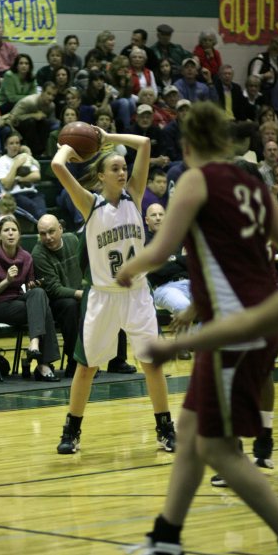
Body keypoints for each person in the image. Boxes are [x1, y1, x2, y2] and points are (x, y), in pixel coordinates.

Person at [108, 101, 278, 555]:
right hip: (261, 312)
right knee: (191, 431)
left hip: (237, 329)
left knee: (217, 448)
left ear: (188, 146)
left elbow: (162, 247)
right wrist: (206, 299)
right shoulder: (255, 182)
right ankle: (166, 543)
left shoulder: (196, 179)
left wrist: (130, 269)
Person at [51, 127, 176, 455]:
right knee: (86, 367)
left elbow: (146, 143)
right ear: (101, 176)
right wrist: (70, 147)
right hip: (103, 296)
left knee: (152, 364)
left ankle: (165, 428)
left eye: (124, 167)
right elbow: (57, 166)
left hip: (137, 295)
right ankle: (72, 430)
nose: (123, 172)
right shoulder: (89, 204)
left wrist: (106, 135)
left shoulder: (135, 195)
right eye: (116, 168)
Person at [32, 214, 137, 378]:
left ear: (60, 228)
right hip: (58, 301)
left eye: (51, 231)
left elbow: (91, 267)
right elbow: (53, 289)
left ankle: (117, 360)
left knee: (114, 297)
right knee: (70, 306)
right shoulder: (38, 253)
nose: (48, 237)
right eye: (43, 234)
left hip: (83, 291)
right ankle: (75, 363)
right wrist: (81, 294)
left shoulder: (72, 240)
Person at [0, 214, 60, 382]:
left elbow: (30, 286)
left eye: (14, 230)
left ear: (19, 234)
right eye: (6, 230)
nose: (10, 233)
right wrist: (6, 281)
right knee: (43, 310)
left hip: (18, 301)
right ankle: (43, 364)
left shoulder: (26, 257)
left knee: (39, 294)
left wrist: (36, 284)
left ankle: (34, 345)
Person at [144, 203, 192, 362]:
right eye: (153, 215)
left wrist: (171, 259)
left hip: (191, 282)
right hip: (163, 287)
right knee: (183, 306)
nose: (158, 218)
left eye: (161, 214)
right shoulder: (143, 241)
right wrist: (180, 259)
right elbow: (157, 270)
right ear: (146, 220)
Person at [0, 131, 47, 220]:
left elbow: (37, 176)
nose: (15, 146)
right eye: (11, 143)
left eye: (17, 143)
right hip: (14, 195)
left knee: (42, 210)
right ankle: (49, 225)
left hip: (32, 193)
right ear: (5, 146)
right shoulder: (1, 161)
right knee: (35, 209)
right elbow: (7, 185)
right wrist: (15, 165)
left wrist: (19, 179)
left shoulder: (24, 157)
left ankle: (48, 224)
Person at [9, 81, 58, 157]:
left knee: (46, 122)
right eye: (48, 93)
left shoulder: (51, 106)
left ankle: (43, 152)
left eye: (53, 95)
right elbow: (13, 118)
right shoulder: (29, 101)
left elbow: (50, 121)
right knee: (31, 122)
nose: (51, 97)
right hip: (18, 126)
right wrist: (33, 115)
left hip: (37, 128)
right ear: (42, 92)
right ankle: (36, 153)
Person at [249, 35, 278, 115]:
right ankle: (275, 112)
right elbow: (254, 74)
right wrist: (264, 75)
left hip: (277, 83)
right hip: (265, 84)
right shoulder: (262, 57)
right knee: (276, 86)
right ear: (276, 47)